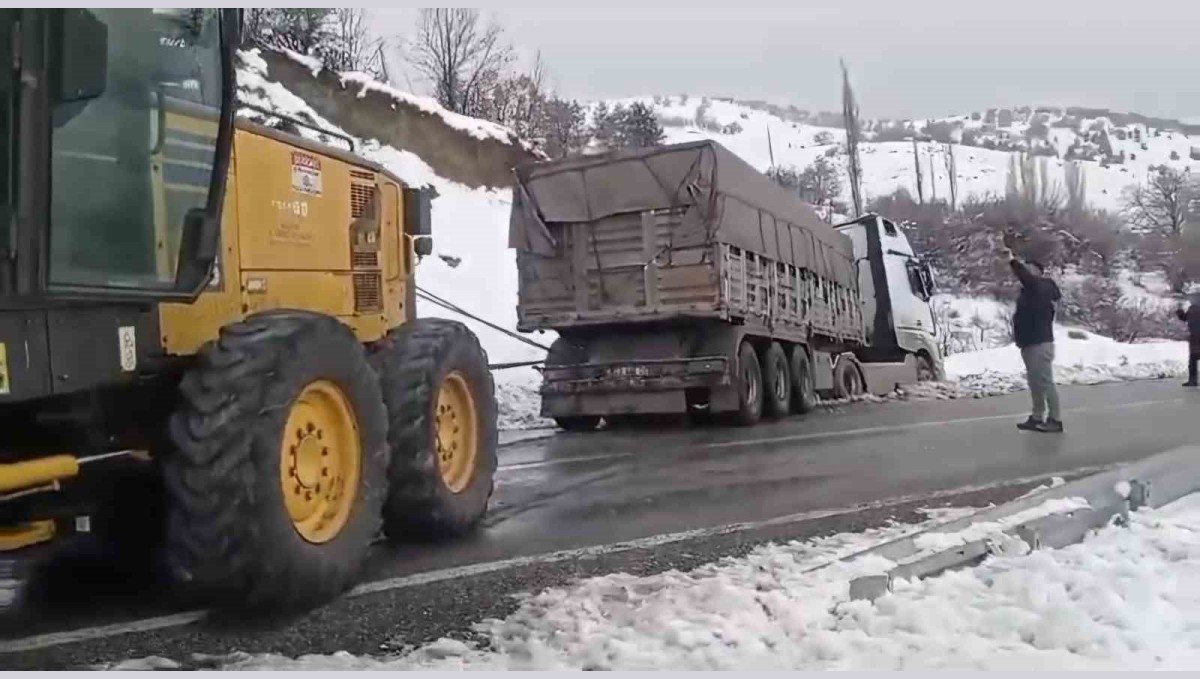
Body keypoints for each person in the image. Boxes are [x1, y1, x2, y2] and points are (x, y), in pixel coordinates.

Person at [1001, 245, 1063, 433]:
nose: (1025, 271)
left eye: (1029, 268)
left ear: (1037, 271)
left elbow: (1028, 278)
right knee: (1034, 382)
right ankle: (1037, 417)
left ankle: (1055, 419)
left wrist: (1012, 260)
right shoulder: (1031, 290)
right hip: (1029, 343)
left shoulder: (1043, 286)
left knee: (1045, 381)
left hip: (1040, 343)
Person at [1177, 292, 1200, 387]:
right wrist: (1179, 310)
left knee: (1193, 359)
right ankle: (1192, 380)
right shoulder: (1192, 309)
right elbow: (1184, 318)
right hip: (1194, 336)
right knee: (1192, 360)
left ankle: (1193, 380)